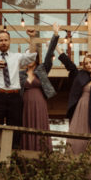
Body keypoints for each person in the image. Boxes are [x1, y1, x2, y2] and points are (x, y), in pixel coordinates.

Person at [0, 29, 37, 136]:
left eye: (6, 40)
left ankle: (14, 151)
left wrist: (32, 38)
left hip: (14, 96)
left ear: (9, 41)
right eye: (1, 40)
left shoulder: (16, 57)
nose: (3, 42)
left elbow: (32, 56)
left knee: (16, 128)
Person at [19, 22, 61, 152]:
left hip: (39, 102)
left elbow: (49, 55)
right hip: (25, 103)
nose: (30, 59)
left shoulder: (42, 69)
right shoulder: (20, 74)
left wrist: (55, 35)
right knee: (26, 126)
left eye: (32, 56)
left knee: (40, 126)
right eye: (27, 56)